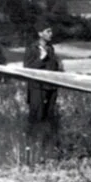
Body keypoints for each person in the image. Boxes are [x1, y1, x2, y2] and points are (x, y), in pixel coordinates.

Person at [23, 20, 63, 160]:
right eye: (48, 31)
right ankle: (29, 153)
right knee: (35, 119)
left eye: (51, 31)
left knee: (49, 120)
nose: (51, 34)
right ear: (40, 33)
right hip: (37, 89)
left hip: (51, 88)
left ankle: (47, 152)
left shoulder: (51, 49)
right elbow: (26, 69)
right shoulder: (32, 48)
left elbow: (55, 68)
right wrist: (41, 59)